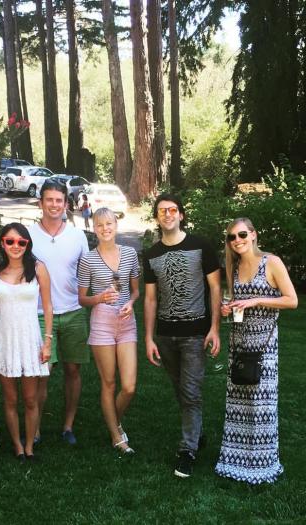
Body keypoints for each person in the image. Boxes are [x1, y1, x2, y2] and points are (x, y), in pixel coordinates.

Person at [215, 218, 298, 484]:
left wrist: (256, 300)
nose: (237, 240)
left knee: (262, 405)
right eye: (232, 237)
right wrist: (228, 308)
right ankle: (235, 460)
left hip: (264, 345)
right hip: (239, 343)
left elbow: (292, 300)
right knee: (238, 403)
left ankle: (262, 463)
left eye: (241, 234)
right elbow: (235, 301)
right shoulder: (234, 266)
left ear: (253, 235)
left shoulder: (271, 262)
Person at [143, 193, 221, 478]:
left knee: (190, 392)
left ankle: (187, 451)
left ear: (181, 215)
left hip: (195, 334)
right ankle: (196, 434)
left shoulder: (201, 245)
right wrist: (148, 338)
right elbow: (150, 299)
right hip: (166, 336)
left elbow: (215, 288)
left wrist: (214, 329)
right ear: (157, 217)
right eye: (162, 210)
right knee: (181, 391)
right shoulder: (151, 254)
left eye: (172, 209)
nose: (167, 214)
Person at [29, 179, 90, 445]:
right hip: (40, 313)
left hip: (74, 311)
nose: (54, 205)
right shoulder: (28, 234)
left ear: (66, 204)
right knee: (43, 372)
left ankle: (68, 426)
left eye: (59, 200)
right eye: (49, 200)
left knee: (73, 370)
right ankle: (35, 428)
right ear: (40, 202)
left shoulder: (77, 236)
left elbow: (87, 272)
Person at [78, 208, 140, 455]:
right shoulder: (88, 259)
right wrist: (100, 298)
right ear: (94, 228)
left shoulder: (130, 253)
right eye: (100, 225)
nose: (105, 228)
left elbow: (135, 290)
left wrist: (131, 302)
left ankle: (113, 421)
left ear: (116, 225)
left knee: (129, 386)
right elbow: (82, 299)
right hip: (102, 322)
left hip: (126, 320)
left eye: (109, 224)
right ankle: (116, 435)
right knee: (109, 382)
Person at [0, 223, 53, 460]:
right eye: (10, 241)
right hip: (3, 338)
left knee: (30, 398)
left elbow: (48, 306)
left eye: (21, 242)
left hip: (30, 339)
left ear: (27, 244)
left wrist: (47, 342)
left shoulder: (38, 268)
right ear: (2, 243)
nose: (15, 246)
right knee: (10, 398)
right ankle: (17, 446)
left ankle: (29, 446)